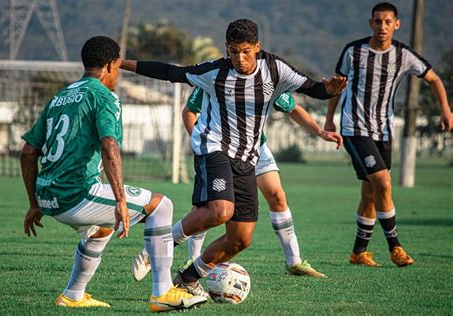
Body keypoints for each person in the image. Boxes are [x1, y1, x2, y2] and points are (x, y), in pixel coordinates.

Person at [121, 18, 346, 296]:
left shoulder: (275, 69)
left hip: (247, 157)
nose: (239, 58)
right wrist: (122, 63)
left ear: (257, 48)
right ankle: (157, 244)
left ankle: (188, 279)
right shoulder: (215, 71)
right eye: (233, 51)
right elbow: (171, 72)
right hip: (213, 146)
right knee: (220, 211)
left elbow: (313, 88)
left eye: (245, 51)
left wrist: (331, 91)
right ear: (226, 48)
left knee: (241, 239)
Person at [20, 36, 206, 312]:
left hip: (48, 198)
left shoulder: (59, 97)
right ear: (110, 65)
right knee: (161, 206)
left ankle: (73, 294)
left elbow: (27, 152)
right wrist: (120, 199)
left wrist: (35, 202)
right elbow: (109, 146)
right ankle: (163, 292)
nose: (118, 74)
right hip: (76, 194)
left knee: (104, 227)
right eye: (118, 67)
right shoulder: (104, 96)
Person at [131, 90, 342, 281]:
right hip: (218, 151)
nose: (242, 59)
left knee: (277, 196)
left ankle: (294, 262)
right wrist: (201, 143)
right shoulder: (213, 78)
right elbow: (189, 111)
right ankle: (183, 257)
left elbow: (293, 108)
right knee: (208, 210)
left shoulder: (266, 81)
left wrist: (320, 132)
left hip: (254, 150)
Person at [324, 2, 452, 267]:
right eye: (378, 21)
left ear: (397, 24)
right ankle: (396, 247)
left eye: (387, 22)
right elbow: (336, 87)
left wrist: (446, 110)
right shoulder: (353, 51)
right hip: (354, 129)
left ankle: (359, 252)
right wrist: (328, 121)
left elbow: (434, 79)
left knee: (371, 192)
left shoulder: (403, 55)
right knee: (382, 182)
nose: (382, 26)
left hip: (383, 131)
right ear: (370, 23)